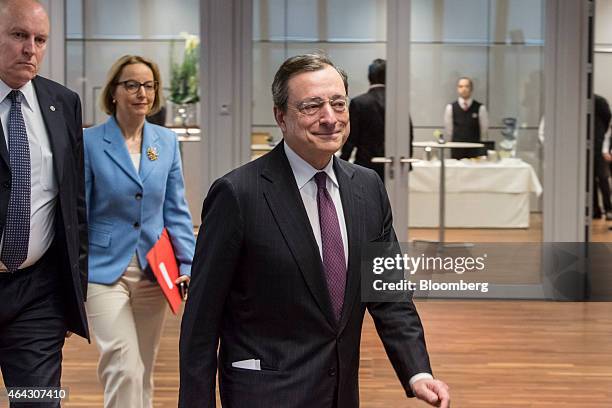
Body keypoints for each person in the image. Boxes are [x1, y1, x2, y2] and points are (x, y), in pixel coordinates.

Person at [179, 53, 449, 408]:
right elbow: (201, 320)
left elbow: (389, 294)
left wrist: (418, 373)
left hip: (340, 394)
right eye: (311, 106)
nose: (329, 118)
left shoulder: (367, 188)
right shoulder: (238, 194)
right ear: (281, 116)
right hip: (263, 393)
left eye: (339, 103)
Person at [84, 55, 195, 408]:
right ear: (114, 92)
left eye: (148, 85)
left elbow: (176, 209)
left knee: (142, 369)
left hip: (154, 271)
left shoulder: (165, 141)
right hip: (103, 270)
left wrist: (188, 264)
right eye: (131, 84)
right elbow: (79, 211)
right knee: (122, 365)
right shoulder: (89, 142)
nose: (141, 92)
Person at [0, 0, 89, 399]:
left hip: (38, 292)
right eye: (18, 35)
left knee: (36, 399)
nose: (30, 49)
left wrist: (74, 291)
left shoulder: (62, 102)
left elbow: (75, 204)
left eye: (40, 39)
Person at [339, 59, 413, 181]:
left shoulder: (359, 102)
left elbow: (351, 137)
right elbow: (408, 133)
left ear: (369, 77)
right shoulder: (398, 102)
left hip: (365, 164)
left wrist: (342, 161)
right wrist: (407, 162)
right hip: (394, 164)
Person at [444, 76, 489, 159]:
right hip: (456, 149)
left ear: (471, 89)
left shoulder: (480, 108)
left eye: (467, 86)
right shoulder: (450, 107)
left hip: (474, 149)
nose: (464, 89)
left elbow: (484, 129)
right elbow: (449, 130)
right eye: (461, 86)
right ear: (457, 89)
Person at [593, 94, 612, 219]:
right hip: (593, 147)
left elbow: (607, 123)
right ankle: (596, 210)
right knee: (590, 181)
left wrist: (604, 150)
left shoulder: (599, 101)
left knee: (603, 179)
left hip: (599, 146)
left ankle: (608, 208)